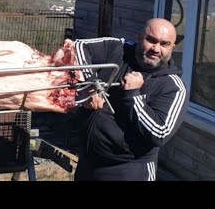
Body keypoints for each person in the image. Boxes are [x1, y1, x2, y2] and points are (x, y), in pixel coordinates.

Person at [73, 18, 188, 181]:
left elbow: (160, 133)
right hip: (88, 163)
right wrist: (88, 84)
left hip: (129, 170)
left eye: (164, 44)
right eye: (151, 40)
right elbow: (78, 47)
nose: (156, 49)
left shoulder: (173, 87)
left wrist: (133, 96)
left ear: (172, 47)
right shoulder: (116, 49)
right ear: (139, 36)